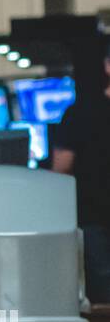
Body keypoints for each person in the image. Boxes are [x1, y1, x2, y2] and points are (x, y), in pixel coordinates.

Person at [51, 37, 110, 305]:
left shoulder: (79, 113)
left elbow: (62, 167)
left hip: (92, 216)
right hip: (93, 218)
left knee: (102, 294)